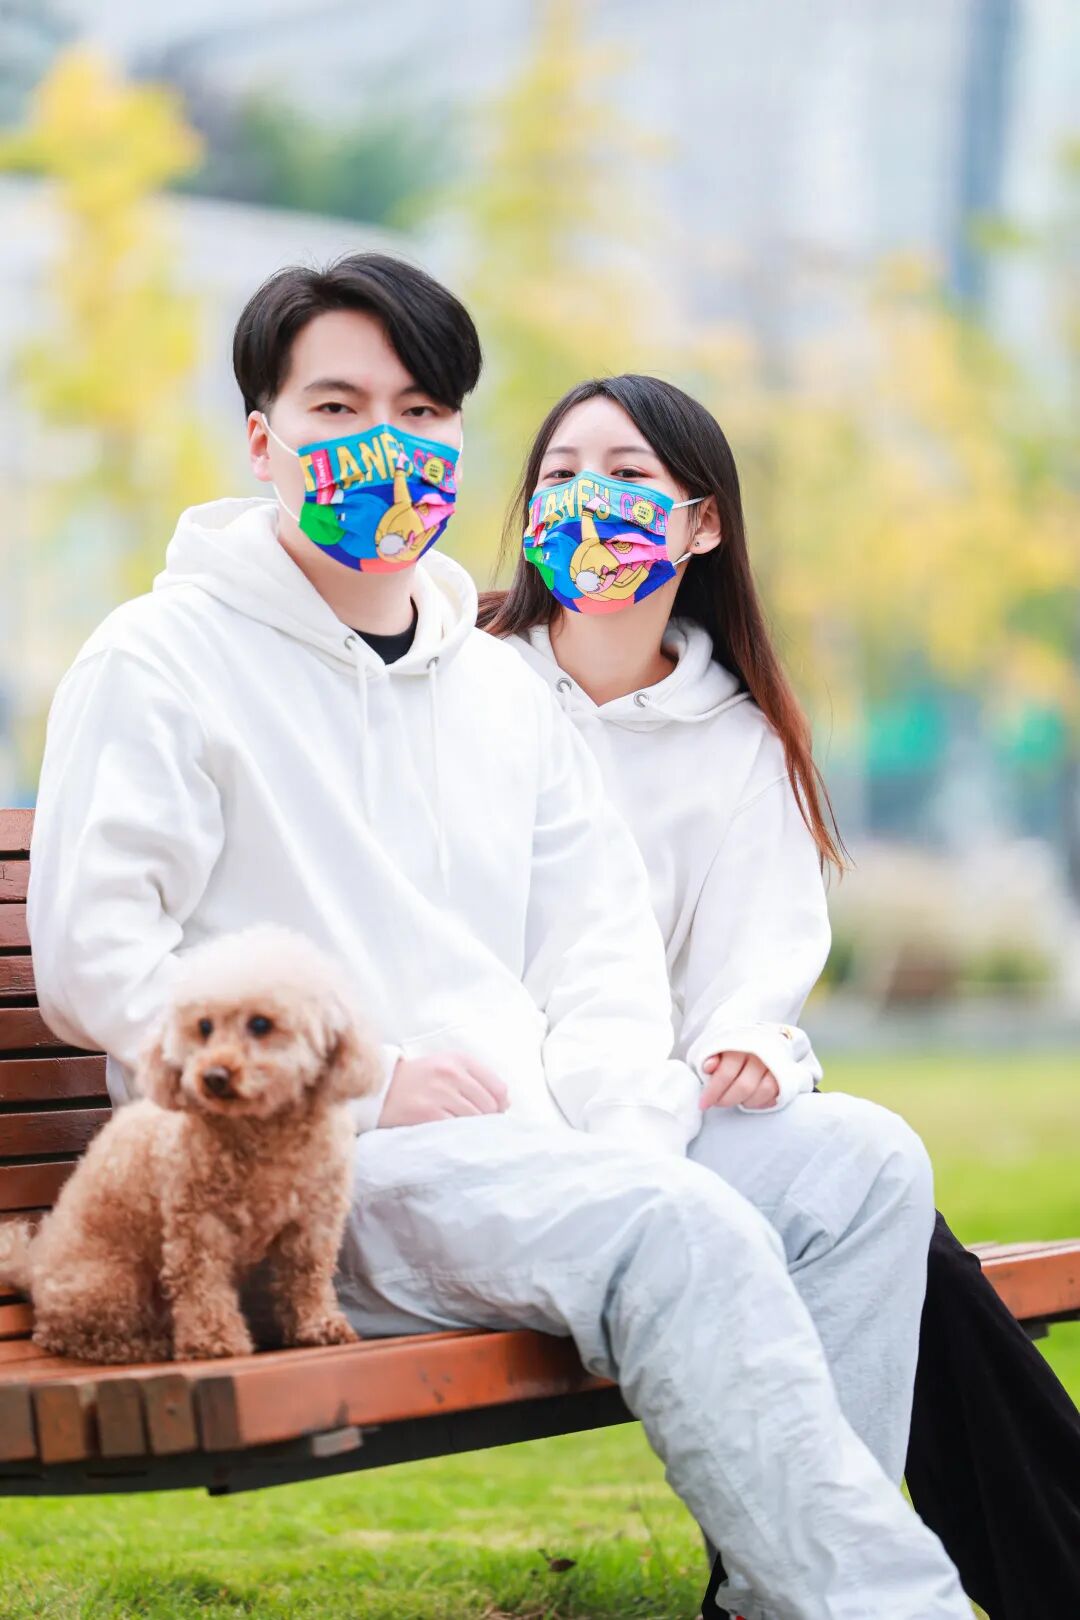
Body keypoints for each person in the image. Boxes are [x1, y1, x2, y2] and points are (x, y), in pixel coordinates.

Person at [27, 254, 971, 1620]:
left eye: (421, 413)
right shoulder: (160, 658)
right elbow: (96, 960)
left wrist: (625, 1134)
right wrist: (368, 1078)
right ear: (261, 438)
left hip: (531, 1148)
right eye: (339, 406)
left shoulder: (493, 684)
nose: (386, 445)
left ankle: (786, 1596)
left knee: (861, 1163)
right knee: (667, 1227)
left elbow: (600, 952)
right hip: (311, 1176)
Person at [480, 370, 1080, 1619]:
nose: (587, 501)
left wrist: (748, 1049)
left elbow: (754, 968)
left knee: (865, 1169)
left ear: (703, 523)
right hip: (485, 1128)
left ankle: (790, 1587)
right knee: (909, 1249)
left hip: (657, 1118)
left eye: (628, 476)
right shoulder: (464, 689)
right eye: (560, 476)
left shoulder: (740, 740)